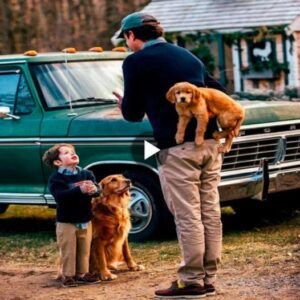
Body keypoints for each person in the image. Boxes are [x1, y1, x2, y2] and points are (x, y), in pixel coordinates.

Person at [115, 12, 226, 298]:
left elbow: (132, 113)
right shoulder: (187, 56)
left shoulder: (135, 62)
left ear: (131, 36)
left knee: (188, 216)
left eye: (125, 38)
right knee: (210, 212)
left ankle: (191, 282)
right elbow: (219, 91)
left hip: (177, 150)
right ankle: (207, 277)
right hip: (209, 146)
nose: (127, 44)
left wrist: (122, 103)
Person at [42, 143, 101, 288]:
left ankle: (82, 273)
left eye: (73, 151)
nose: (72, 153)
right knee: (68, 249)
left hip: (85, 219)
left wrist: (94, 189)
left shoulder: (87, 174)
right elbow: (60, 196)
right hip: (66, 221)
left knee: (84, 248)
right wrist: (79, 190)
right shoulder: (56, 178)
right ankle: (68, 275)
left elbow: (98, 189)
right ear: (57, 162)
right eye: (66, 153)